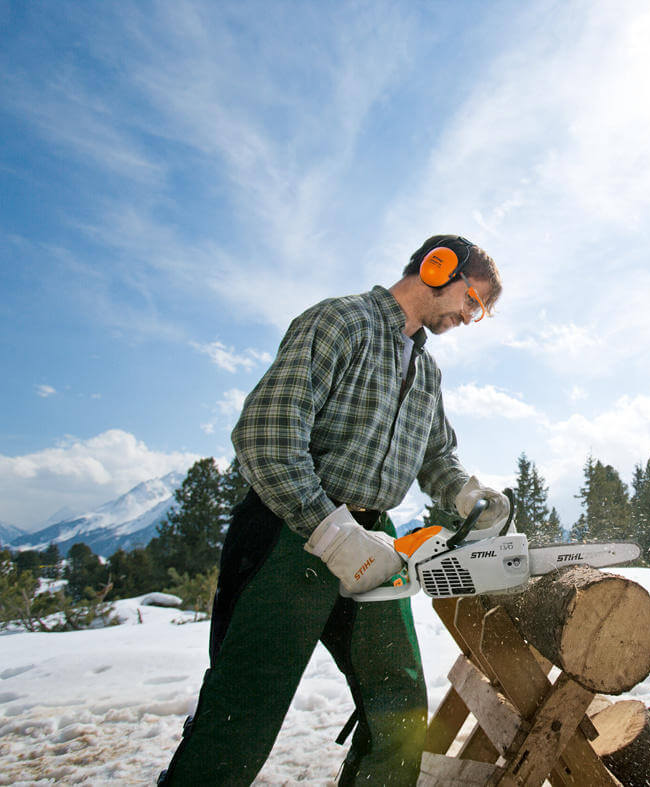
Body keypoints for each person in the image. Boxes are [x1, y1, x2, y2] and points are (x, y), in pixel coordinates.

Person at [159, 235, 509, 786]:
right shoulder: (340, 323)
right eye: (473, 301)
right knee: (242, 711)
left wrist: (463, 491)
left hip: (375, 543)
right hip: (288, 532)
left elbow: (436, 455)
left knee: (397, 699)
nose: (471, 317)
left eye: (480, 312)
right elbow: (265, 436)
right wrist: (330, 531)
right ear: (438, 268)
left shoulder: (426, 372)